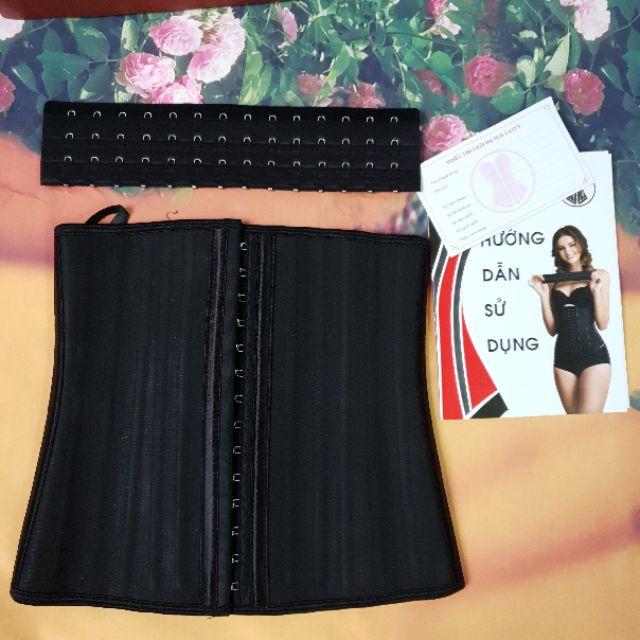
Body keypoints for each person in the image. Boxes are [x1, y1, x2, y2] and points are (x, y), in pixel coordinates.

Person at [530, 225, 611, 413]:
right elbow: (552, 330)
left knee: (589, 423)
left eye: (571, 244)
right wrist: (543, 296)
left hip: (593, 355)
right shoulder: (553, 282)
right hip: (563, 359)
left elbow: (603, 323)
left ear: (581, 244)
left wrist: (595, 292)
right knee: (574, 424)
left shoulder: (600, 276)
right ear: (557, 253)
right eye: (561, 248)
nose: (568, 251)